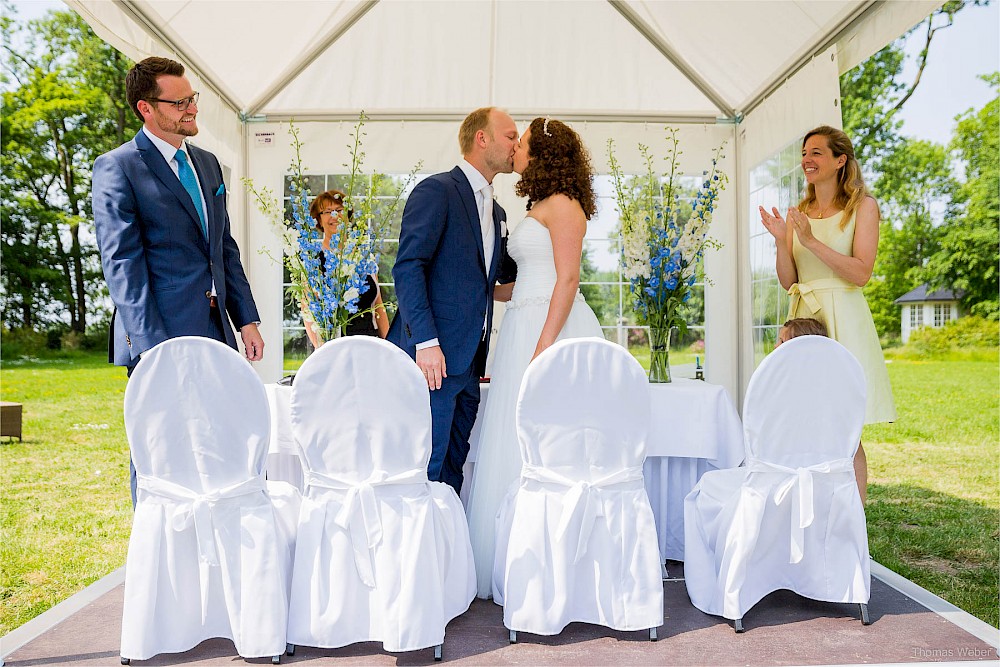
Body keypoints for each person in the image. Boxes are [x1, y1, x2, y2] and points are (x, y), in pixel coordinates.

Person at [92, 56, 264, 505]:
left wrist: (245, 318)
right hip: (160, 332)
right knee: (160, 450)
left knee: (218, 441)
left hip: (215, 329)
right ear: (146, 109)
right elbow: (122, 263)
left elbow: (223, 247)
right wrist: (153, 349)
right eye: (180, 101)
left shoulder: (207, 164)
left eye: (193, 98)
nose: (192, 108)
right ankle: (154, 553)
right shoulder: (118, 167)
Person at [465, 117, 604, 599]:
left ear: (543, 154)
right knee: (512, 438)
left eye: (521, 143)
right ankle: (516, 557)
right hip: (524, 322)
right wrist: (477, 288)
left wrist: (544, 347)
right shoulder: (537, 205)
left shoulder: (564, 206)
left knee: (552, 441)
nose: (515, 149)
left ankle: (557, 562)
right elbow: (524, 281)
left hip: (552, 330)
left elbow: (567, 280)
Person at [759, 125, 896, 504]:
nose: (807, 159)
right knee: (804, 422)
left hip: (844, 320)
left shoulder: (862, 207)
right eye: (805, 152)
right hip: (804, 319)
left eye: (817, 152)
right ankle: (812, 511)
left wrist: (811, 241)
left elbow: (861, 273)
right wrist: (780, 241)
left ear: (840, 161)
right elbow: (790, 281)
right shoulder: (800, 213)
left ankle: (853, 526)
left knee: (846, 428)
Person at [387, 107, 519, 494]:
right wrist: (426, 343)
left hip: (470, 364)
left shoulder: (497, 211)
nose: (517, 144)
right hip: (433, 360)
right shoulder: (438, 190)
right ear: (482, 138)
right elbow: (409, 267)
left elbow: (489, 283)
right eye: (510, 136)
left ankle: (446, 550)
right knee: (424, 468)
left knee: (452, 470)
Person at [301, 189, 389, 344]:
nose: (335, 215)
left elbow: (378, 307)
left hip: (370, 346)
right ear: (319, 220)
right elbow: (307, 311)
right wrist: (321, 350)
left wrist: (389, 347)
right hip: (333, 349)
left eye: (340, 210)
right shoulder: (313, 262)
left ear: (348, 216)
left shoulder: (365, 258)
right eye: (327, 211)